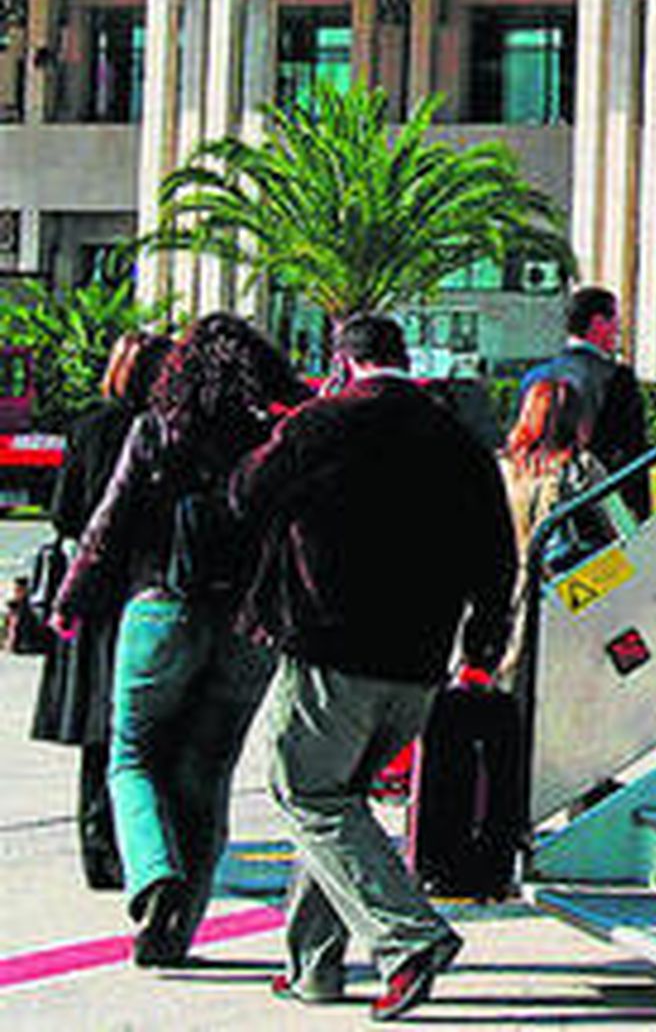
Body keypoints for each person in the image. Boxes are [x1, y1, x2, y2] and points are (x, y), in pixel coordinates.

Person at [232, 312, 514, 1020]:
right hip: (420, 661)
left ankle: (407, 937)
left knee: (304, 792)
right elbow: (497, 558)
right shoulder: (458, 440)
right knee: (338, 801)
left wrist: (291, 421)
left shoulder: (323, 425)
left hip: (332, 648)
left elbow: (244, 494)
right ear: (402, 358)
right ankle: (312, 965)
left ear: (342, 361)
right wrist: (480, 651)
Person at [50, 314, 308, 966]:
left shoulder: (157, 432)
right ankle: (171, 932)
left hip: (161, 606)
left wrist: (69, 602)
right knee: (207, 773)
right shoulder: (274, 439)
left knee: (131, 757)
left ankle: (152, 871)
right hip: (249, 626)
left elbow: (107, 526)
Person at [31, 330, 173, 891]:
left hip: (91, 593)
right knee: (143, 727)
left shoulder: (90, 428)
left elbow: (64, 513)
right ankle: (141, 844)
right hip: (148, 589)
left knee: (99, 727)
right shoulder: (169, 433)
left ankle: (99, 845)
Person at [497, 375, 604, 685]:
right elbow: (623, 533)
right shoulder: (582, 468)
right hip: (568, 596)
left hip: (507, 593)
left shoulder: (503, 469)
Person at [519, 286, 651, 520]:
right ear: (598, 323)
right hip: (595, 507)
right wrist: (640, 515)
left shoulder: (535, 378)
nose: (618, 329)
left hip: (534, 502)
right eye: (614, 320)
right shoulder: (617, 379)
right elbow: (631, 454)